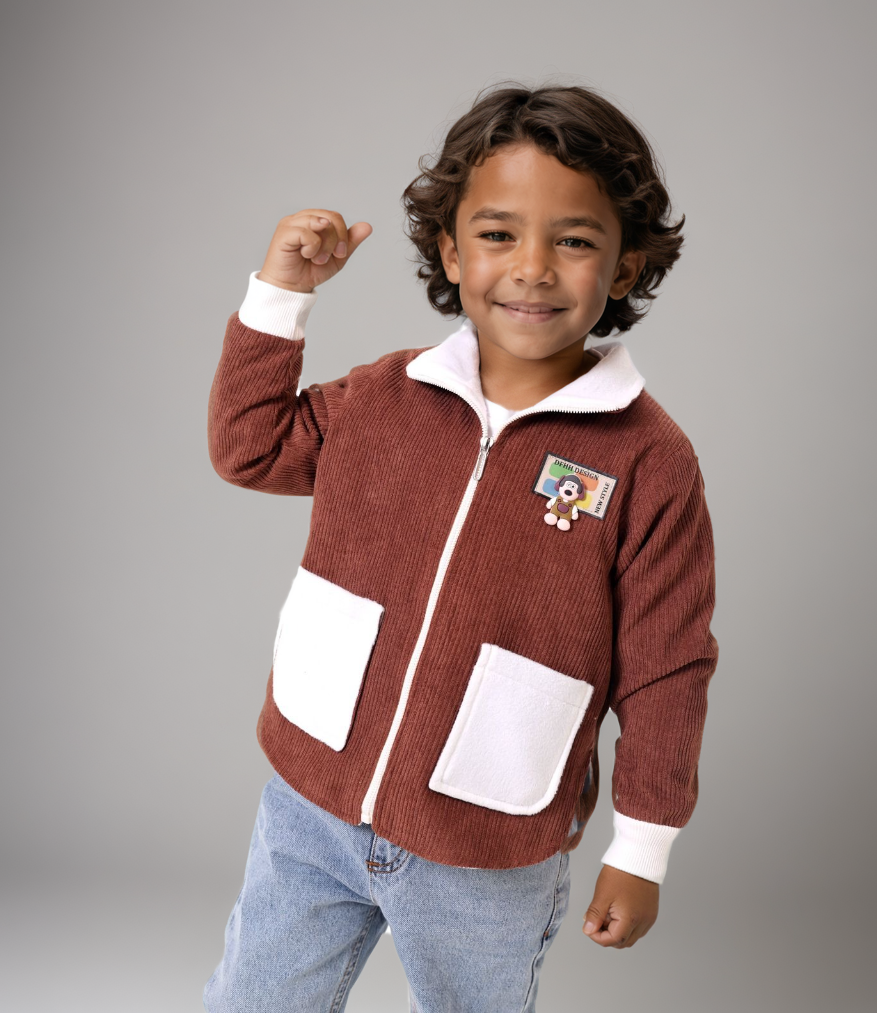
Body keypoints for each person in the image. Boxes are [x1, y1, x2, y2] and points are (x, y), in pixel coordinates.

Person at [203, 82, 719, 1012]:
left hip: (490, 844)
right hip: (311, 803)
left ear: (627, 266)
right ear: (450, 250)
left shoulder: (649, 460)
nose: (532, 268)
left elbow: (667, 668)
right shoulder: (383, 396)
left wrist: (641, 851)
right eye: (497, 234)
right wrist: (282, 295)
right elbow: (251, 445)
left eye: (574, 240)